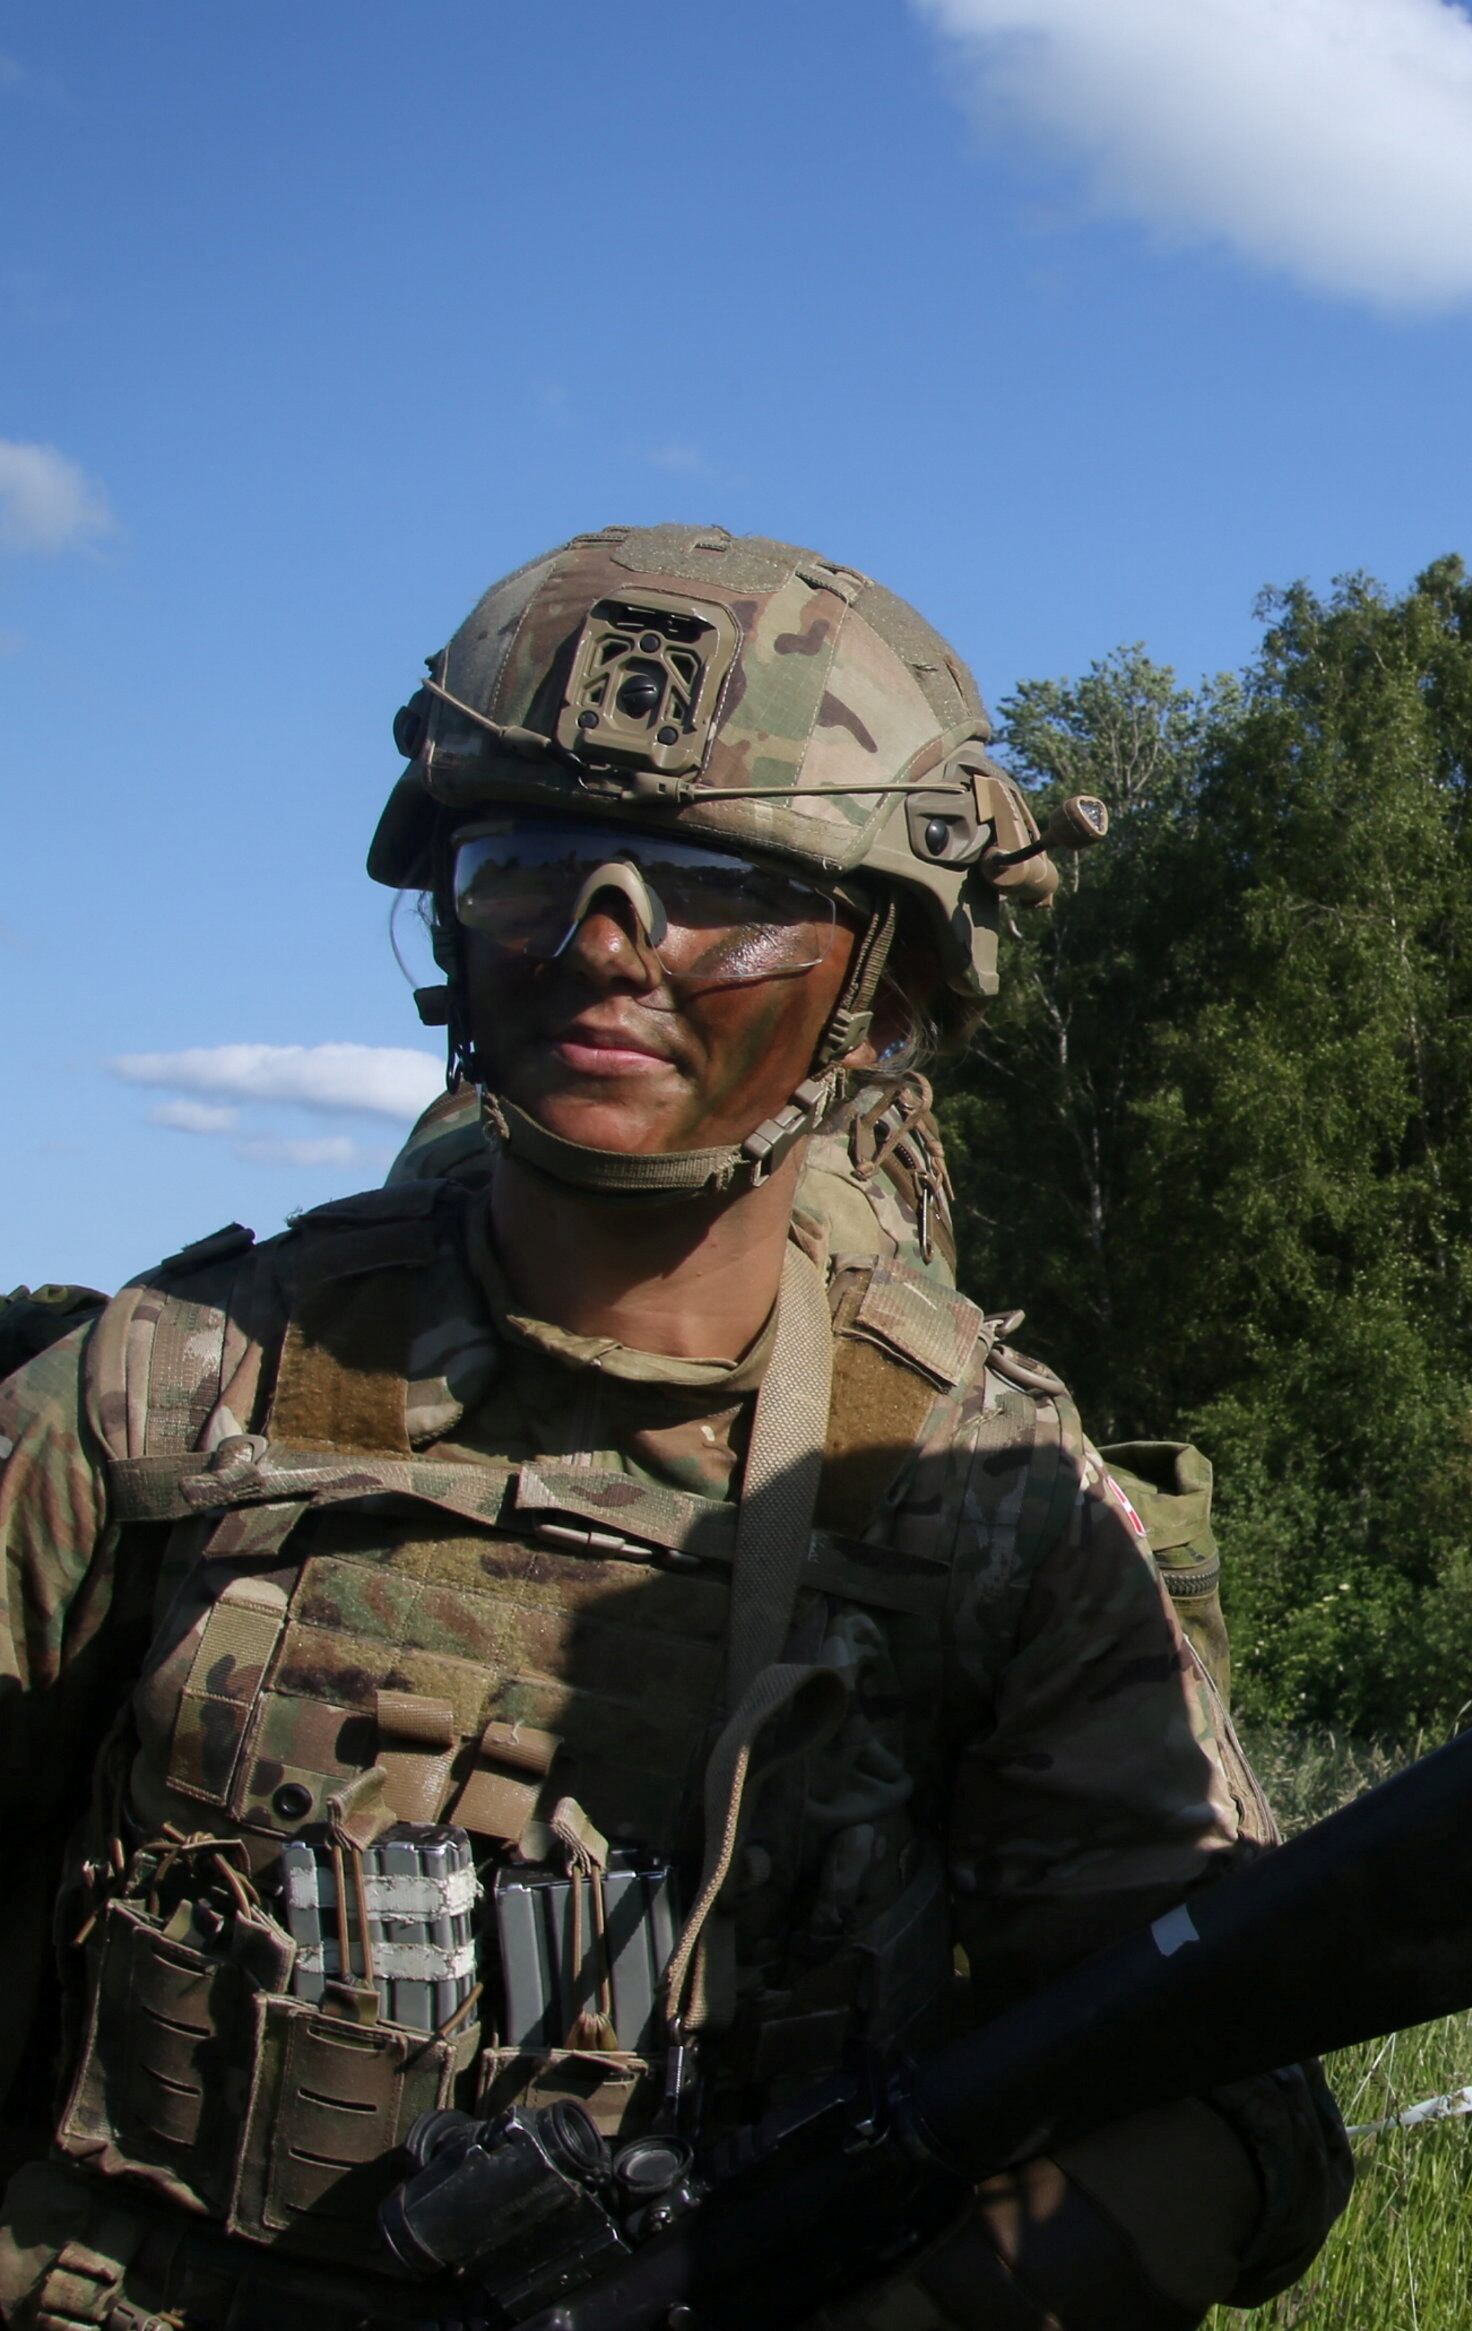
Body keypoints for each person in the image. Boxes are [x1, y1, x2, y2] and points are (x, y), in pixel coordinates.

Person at [0, 526, 1349, 2326]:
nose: (607, 945)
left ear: (887, 975)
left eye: (725, 886)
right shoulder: (181, 1390)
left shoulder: (972, 1497)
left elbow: (1225, 2093)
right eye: (532, 865)